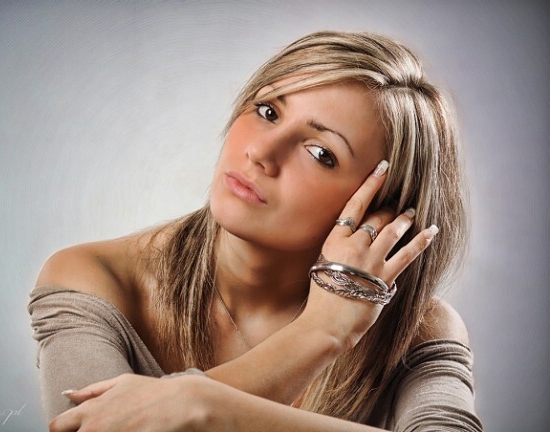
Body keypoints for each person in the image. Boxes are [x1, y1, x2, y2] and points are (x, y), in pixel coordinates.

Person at [29, 31, 483, 431]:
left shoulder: (417, 329)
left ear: (380, 214)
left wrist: (204, 406)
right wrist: (321, 332)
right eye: (267, 111)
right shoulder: (93, 278)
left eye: (321, 153)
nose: (262, 153)